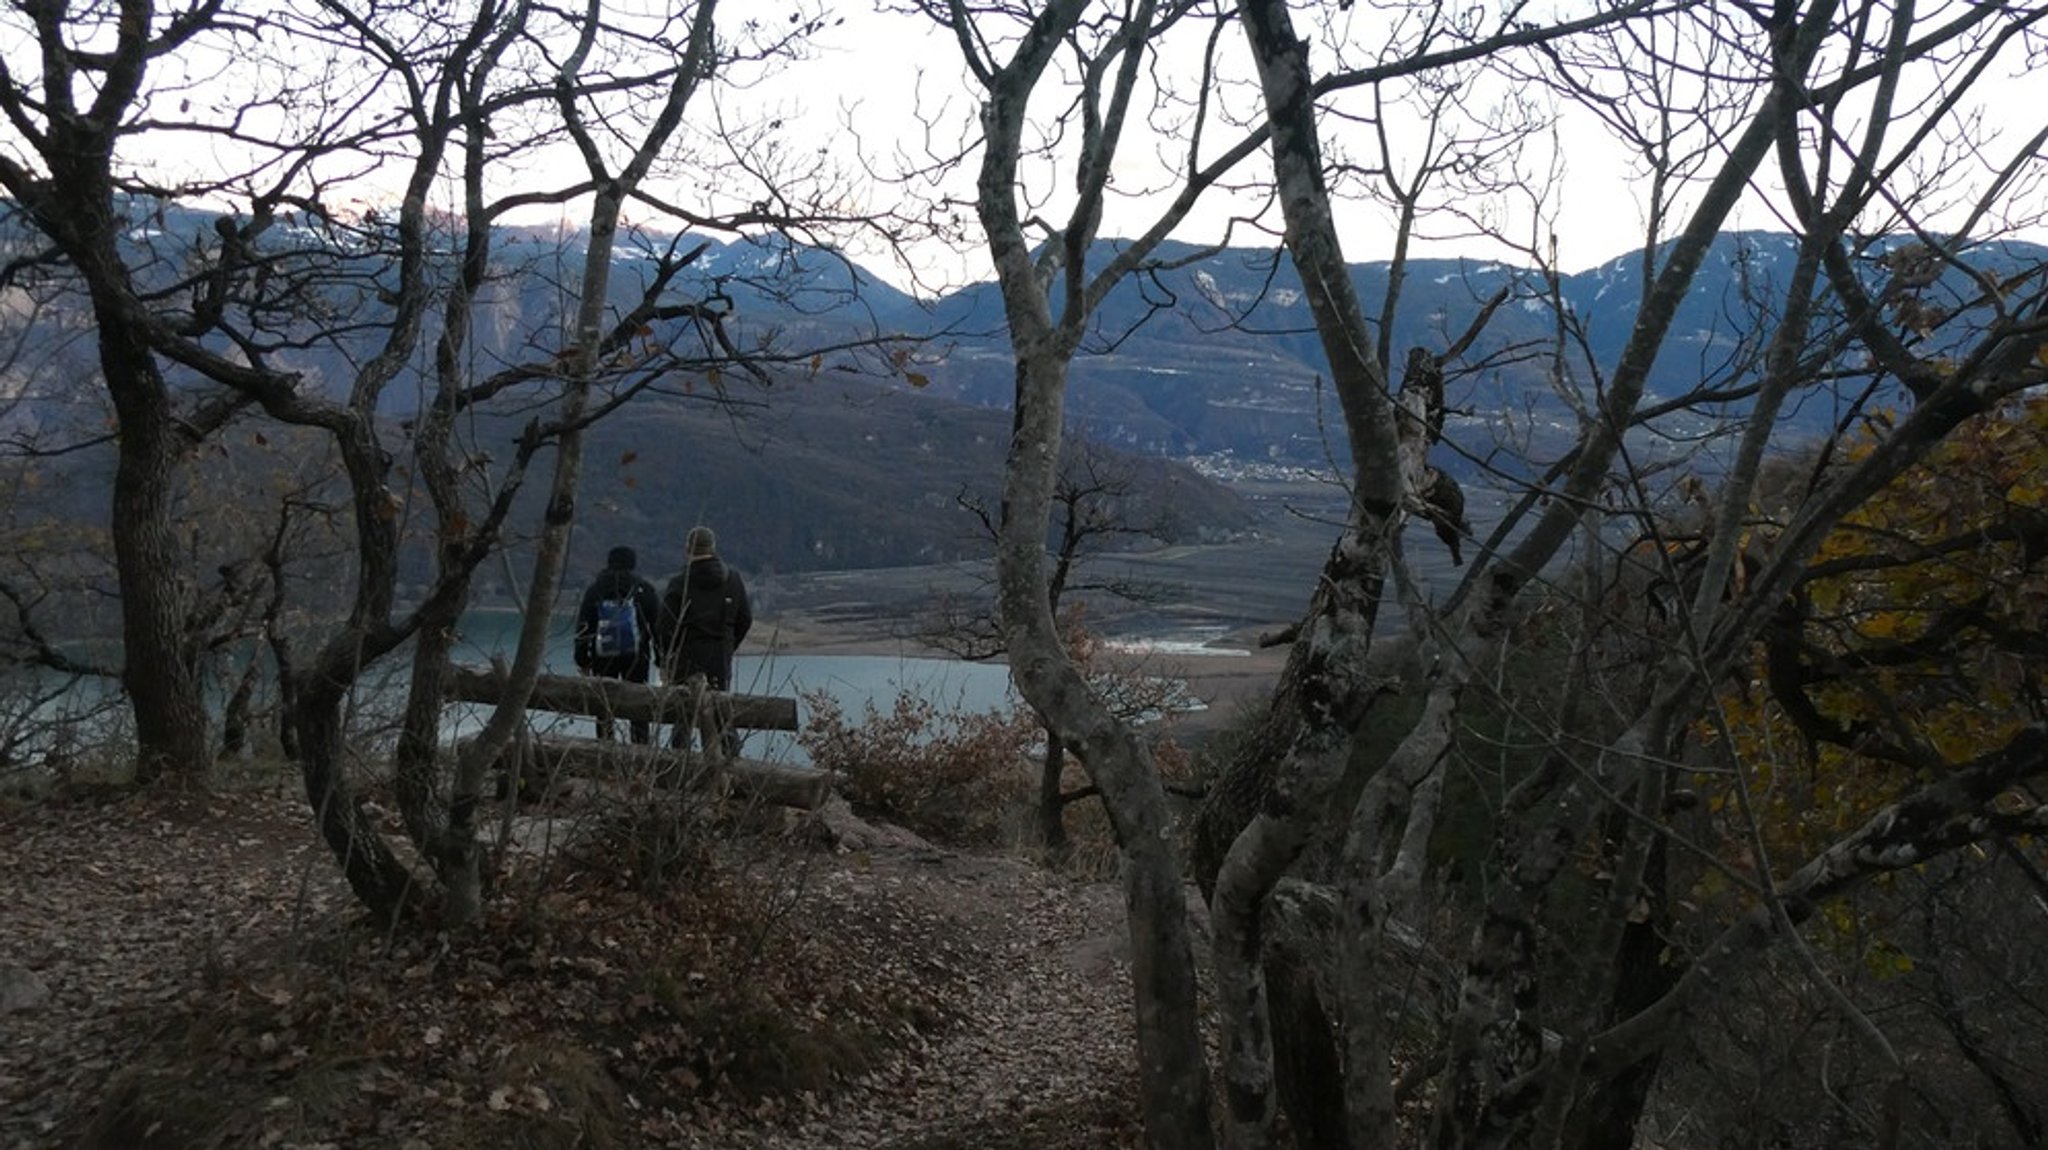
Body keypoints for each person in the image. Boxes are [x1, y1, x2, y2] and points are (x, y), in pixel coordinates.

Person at [660, 526, 753, 753]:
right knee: (722, 717)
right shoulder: (733, 579)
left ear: (687, 548)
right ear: (713, 547)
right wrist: (728, 645)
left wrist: (665, 660)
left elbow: (664, 627)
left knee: (683, 719)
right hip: (719, 659)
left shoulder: (679, 583)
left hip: (685, 660)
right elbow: (745, 619)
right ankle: (731, 771)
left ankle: (679, 772)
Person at [572, 545, 664, 744]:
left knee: (604, 705)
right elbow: (658, 626)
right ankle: (640, 748)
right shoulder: (643, 588)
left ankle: (605, 747)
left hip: (602, 654)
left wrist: (582, 659)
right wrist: (660, 658)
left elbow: (583, 626)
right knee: (639, 703)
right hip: (637, 655)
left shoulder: (595, 589)